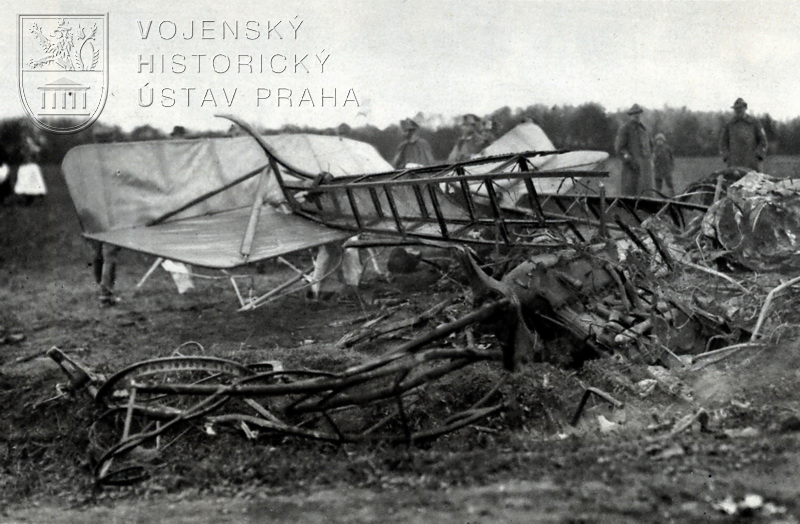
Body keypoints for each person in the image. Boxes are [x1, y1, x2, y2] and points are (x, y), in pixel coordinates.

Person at [614, 104, 654, 195]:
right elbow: (620, 148)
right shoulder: (625, 129)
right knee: (631, 194)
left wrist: (650, 160)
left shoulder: (645, 130)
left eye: (638, 113)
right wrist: (629, 160)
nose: (636, 115)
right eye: (634, 113)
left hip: (646, 168)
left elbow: (651, 147)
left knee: (647, 195)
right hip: (632, 167)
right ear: (630, 115)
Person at [719, 98, 768, 172]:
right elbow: (723, 142)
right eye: (736, 109)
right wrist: (727, 157)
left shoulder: (754, 122)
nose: (738, 111)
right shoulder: (730, 125)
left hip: (752, 165)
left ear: (745, 108)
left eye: (740, 108)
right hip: (734, 165)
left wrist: (758, 156)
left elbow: (763, 141)